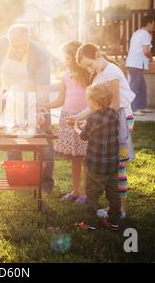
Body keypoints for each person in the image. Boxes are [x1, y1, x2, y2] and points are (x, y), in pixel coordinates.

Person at [68, 43, 135, 219]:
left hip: (120, 119)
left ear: (98, 54)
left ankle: (120, 210)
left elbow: (112, 106)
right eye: (86, 68)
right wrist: (78, 117)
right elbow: (96, 105)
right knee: (114, 164)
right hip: (111, 119)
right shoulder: (99, 74)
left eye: (90, 65)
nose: (90, 70)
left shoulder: (111, 72)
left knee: (118, 165)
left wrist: (95, 123)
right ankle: (115, 207)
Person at [0, 24, 54, 192]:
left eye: (23, 45)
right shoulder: (1, 44)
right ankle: (16, 178)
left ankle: (45, 183)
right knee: (12, 139)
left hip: (35, 99)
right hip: (11, 98)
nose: (19, 50)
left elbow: (43, 88)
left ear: (29, 38)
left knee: (43, 141)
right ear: (9, 40)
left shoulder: (39, 54)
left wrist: (39, 111)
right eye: (16, 46)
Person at [39, 41, 91, 203]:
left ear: (77, 57)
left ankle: (87, 194)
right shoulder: (66, 76)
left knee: (87, 158)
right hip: (68, 120)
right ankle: (76, 191)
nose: (66, 61)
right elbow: (60, 100)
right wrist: (42, 105)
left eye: (68, 58)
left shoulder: (90, 75)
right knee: (75, 158)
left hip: (85, 119)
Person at [73, 83, 121, 231]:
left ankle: (90, 224)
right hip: (112, 164)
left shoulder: (93, 119)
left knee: (92, 195)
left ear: (94, 103)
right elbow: (101, 126)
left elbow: (84, 136)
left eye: (88, 100)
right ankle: (114, 222)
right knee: (113, 194)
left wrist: (76, 127)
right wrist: (86, 124)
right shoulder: (114, 114)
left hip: (96, 166)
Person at [126, 14, 155, 116]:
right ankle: (132, 109)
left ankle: (142, 107)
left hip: (134, 63)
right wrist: (152, 58)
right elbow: (146, 51)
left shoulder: (137, 33)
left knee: (142, 86)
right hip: (136, 64)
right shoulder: (145, 34)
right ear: (148, 23)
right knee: (135, 86)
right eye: (153, 24)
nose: (154, 26)